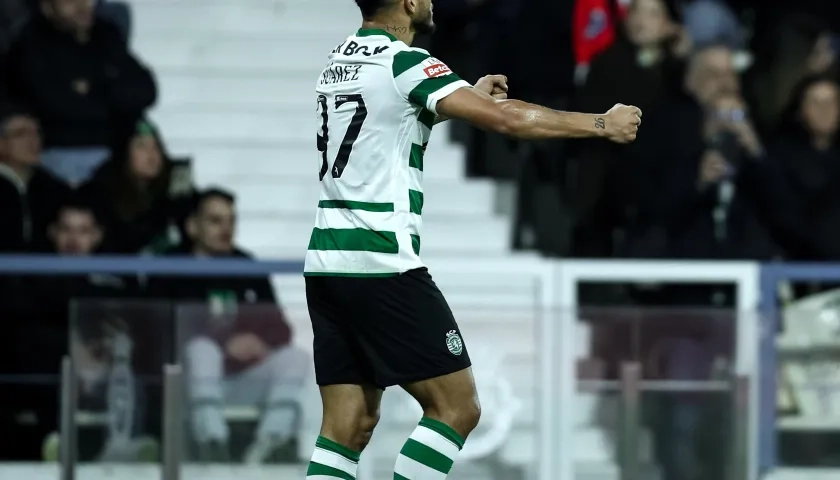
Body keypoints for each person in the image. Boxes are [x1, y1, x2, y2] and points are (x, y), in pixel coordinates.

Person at [303, 1, 642, 479]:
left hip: (326, 265)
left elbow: (382, 123)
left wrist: (464, 96)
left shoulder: (339, 61)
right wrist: (601, 123)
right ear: (409, 2)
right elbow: (509, 121)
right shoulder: (406, 62)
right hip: (380, 262)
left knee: (346, 426)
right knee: (457, 408)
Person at [149, 189, 307, 464]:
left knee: (296, 358)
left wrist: (261, 343)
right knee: (202, 349)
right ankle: (211, 443)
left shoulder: (246, 265)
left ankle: (270, 444)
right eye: (215, 221)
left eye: (231, 221)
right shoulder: (171, 266)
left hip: (242, 377)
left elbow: (282, 329)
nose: (226, 229)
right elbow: (163, 329)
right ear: (193, 226)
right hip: (188, 381)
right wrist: (224, 344)